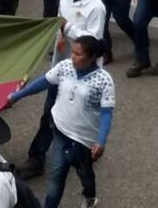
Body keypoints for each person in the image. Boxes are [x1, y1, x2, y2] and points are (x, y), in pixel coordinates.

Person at [21, 0, 106, 180]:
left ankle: (86, 149)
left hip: (85, 75)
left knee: (81, 114)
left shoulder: (96, 7)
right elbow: (59, 25)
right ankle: (36, 157)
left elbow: (93, 43)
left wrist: (68, 28)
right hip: (62, 67)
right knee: (50, 113)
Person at [8, 36, 115, 208]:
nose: (72, 56)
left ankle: (89, 196)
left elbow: (106, 113)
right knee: (56, 176)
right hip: (60, 131)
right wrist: (17, 96)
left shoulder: (104, 80)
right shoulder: (65, 67)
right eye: (73, 52)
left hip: (83, 140)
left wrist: (100, 141)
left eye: (78, 54)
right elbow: (44, 81)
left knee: (85, 172)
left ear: (92, 57)